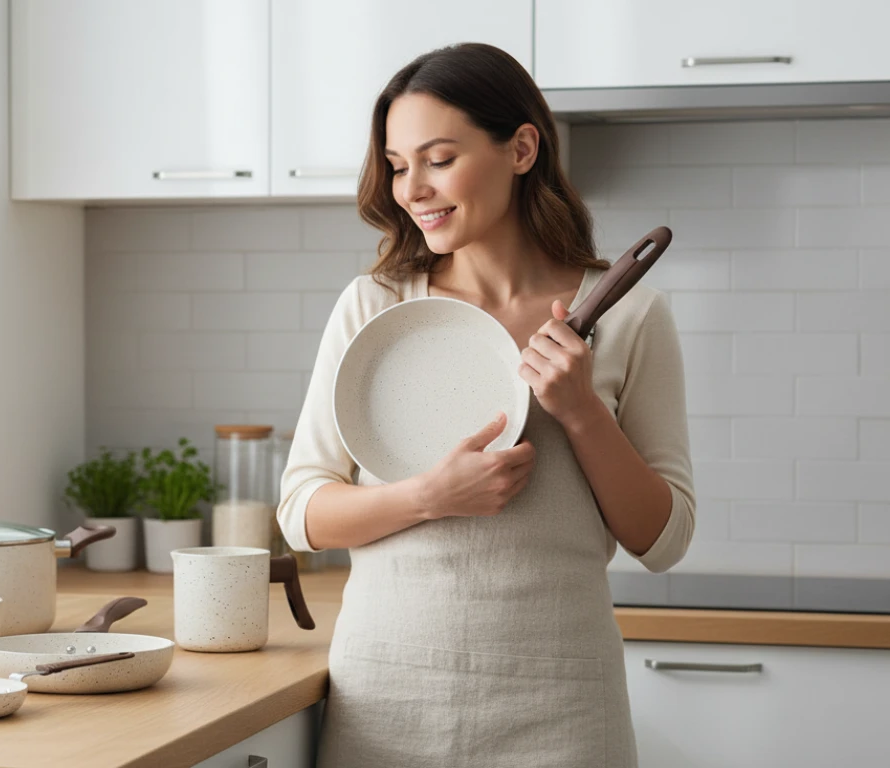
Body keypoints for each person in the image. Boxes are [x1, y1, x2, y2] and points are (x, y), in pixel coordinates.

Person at [276, 42, 696, 767]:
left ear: (522, 148)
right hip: (388, 702)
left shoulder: (628, 315)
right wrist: (429, 497)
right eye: (399, 165)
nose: (413, 189)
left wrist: (580, 409)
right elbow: (302, 511)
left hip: (565, 708)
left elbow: (664, 540)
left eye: (438, 159)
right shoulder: (373, 308)